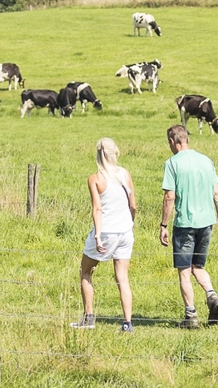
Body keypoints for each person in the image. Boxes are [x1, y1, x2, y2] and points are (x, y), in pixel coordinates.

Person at [158, 125, 218, 329]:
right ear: (187, 139)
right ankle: (212, 295)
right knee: (198, 266)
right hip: (206, 222)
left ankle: (191, 316)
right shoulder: (206, 160)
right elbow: (217, 193)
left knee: (184, 271)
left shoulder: (172, 163)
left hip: (185, 224)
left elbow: (169, 196)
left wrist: (163, 225)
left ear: (173, 141)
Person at [73, 138, 138, 333]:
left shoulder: (95, 178)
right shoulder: (125, 174)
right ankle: (127, 323)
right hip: (126, 232)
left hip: (107, 231)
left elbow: (97, 209)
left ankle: (89, 317)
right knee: (122, 277)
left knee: (86, 270)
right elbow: (133, 205)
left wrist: (98, 236)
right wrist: (131, 224)